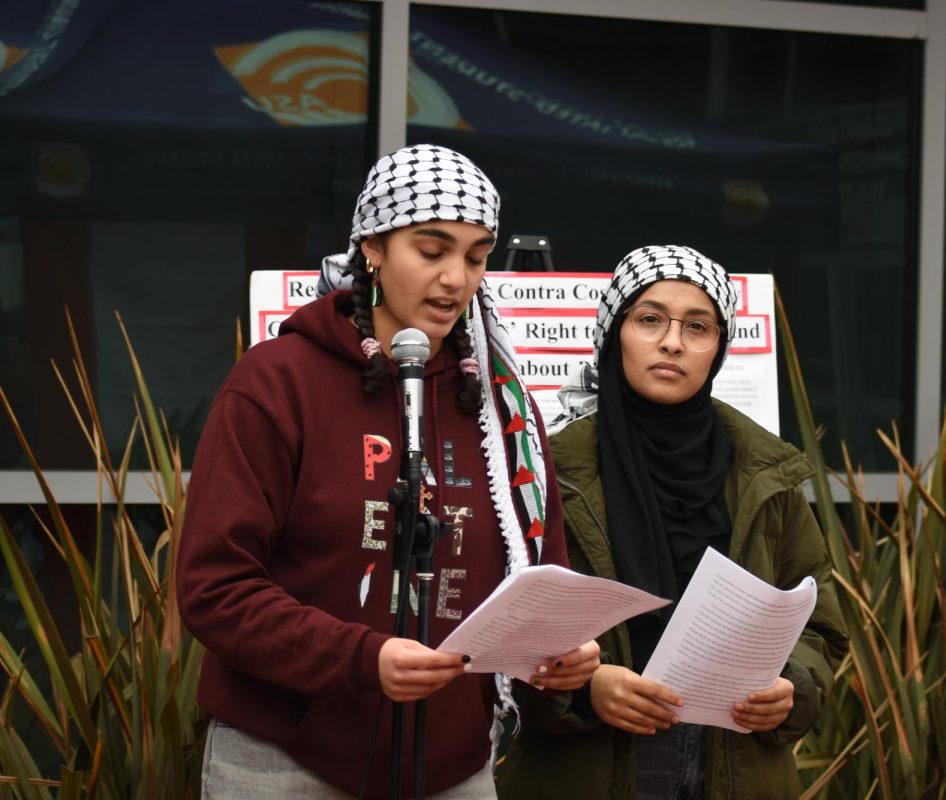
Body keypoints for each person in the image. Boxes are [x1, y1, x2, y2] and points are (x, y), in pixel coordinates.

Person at [176, 144, 600, 800]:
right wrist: (362, 658)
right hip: (287, 761)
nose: (457, 278)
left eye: (477, 255)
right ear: (372, 248)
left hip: (454, 767)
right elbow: (216, 587)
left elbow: (545, 580)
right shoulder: (278, 383)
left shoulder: (503, 405)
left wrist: (559, 651)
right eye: (432, 251)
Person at [495, 246, 849, 800]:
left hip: (733, 767)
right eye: (650, 319)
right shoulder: (546, 470)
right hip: (585, 766)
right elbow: (504, 625)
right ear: (615, 333)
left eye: (698, 326)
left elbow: (822, 627)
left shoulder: (765, 472)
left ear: (719, 349)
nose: (672, 342)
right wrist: (587, 688)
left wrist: (792, 687)